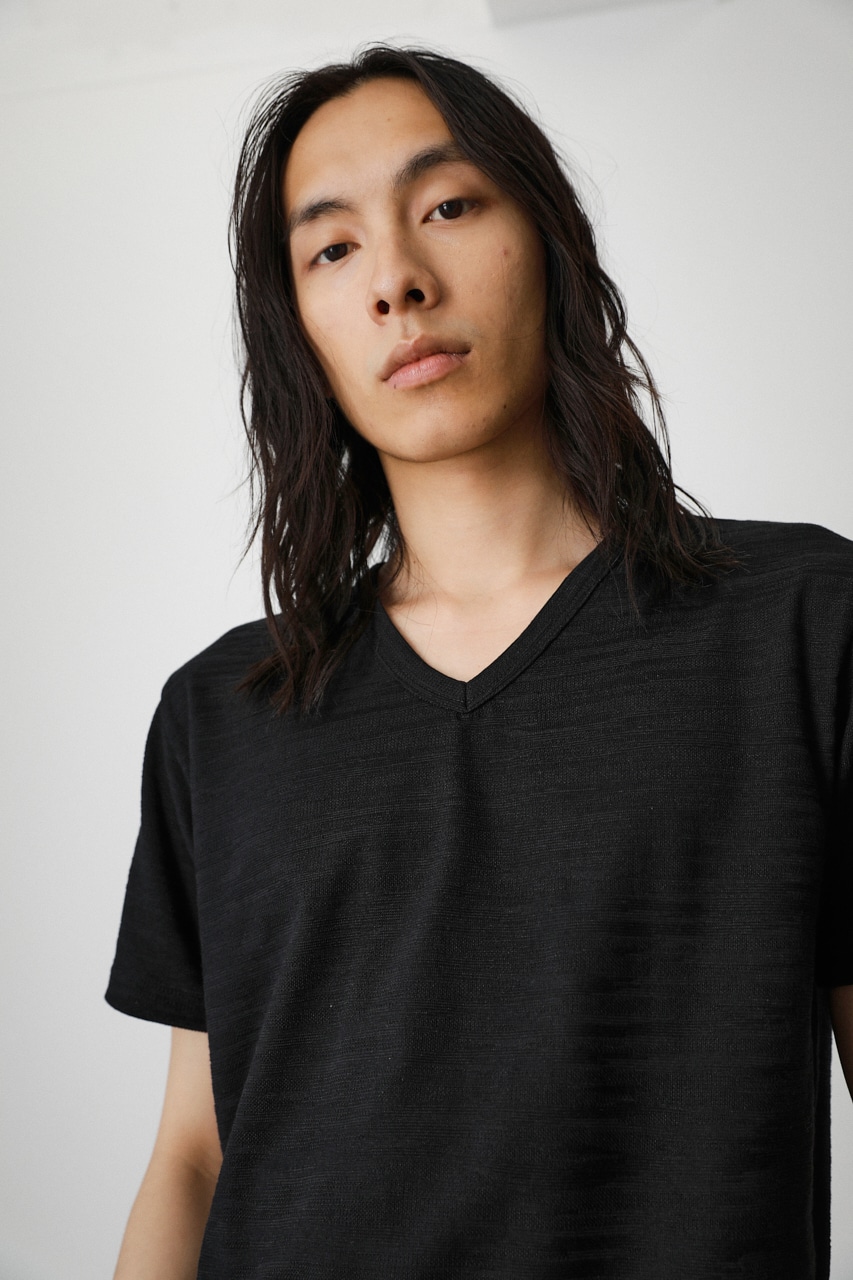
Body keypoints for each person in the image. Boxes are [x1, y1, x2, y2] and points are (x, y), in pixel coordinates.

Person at [105, 43, 853, 1279]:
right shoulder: (219, 713)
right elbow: (194, 1151)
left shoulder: (799, 626)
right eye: (331, 249)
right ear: (298, 331)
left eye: (448, 206)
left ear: (548, 239)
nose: (396, 279)